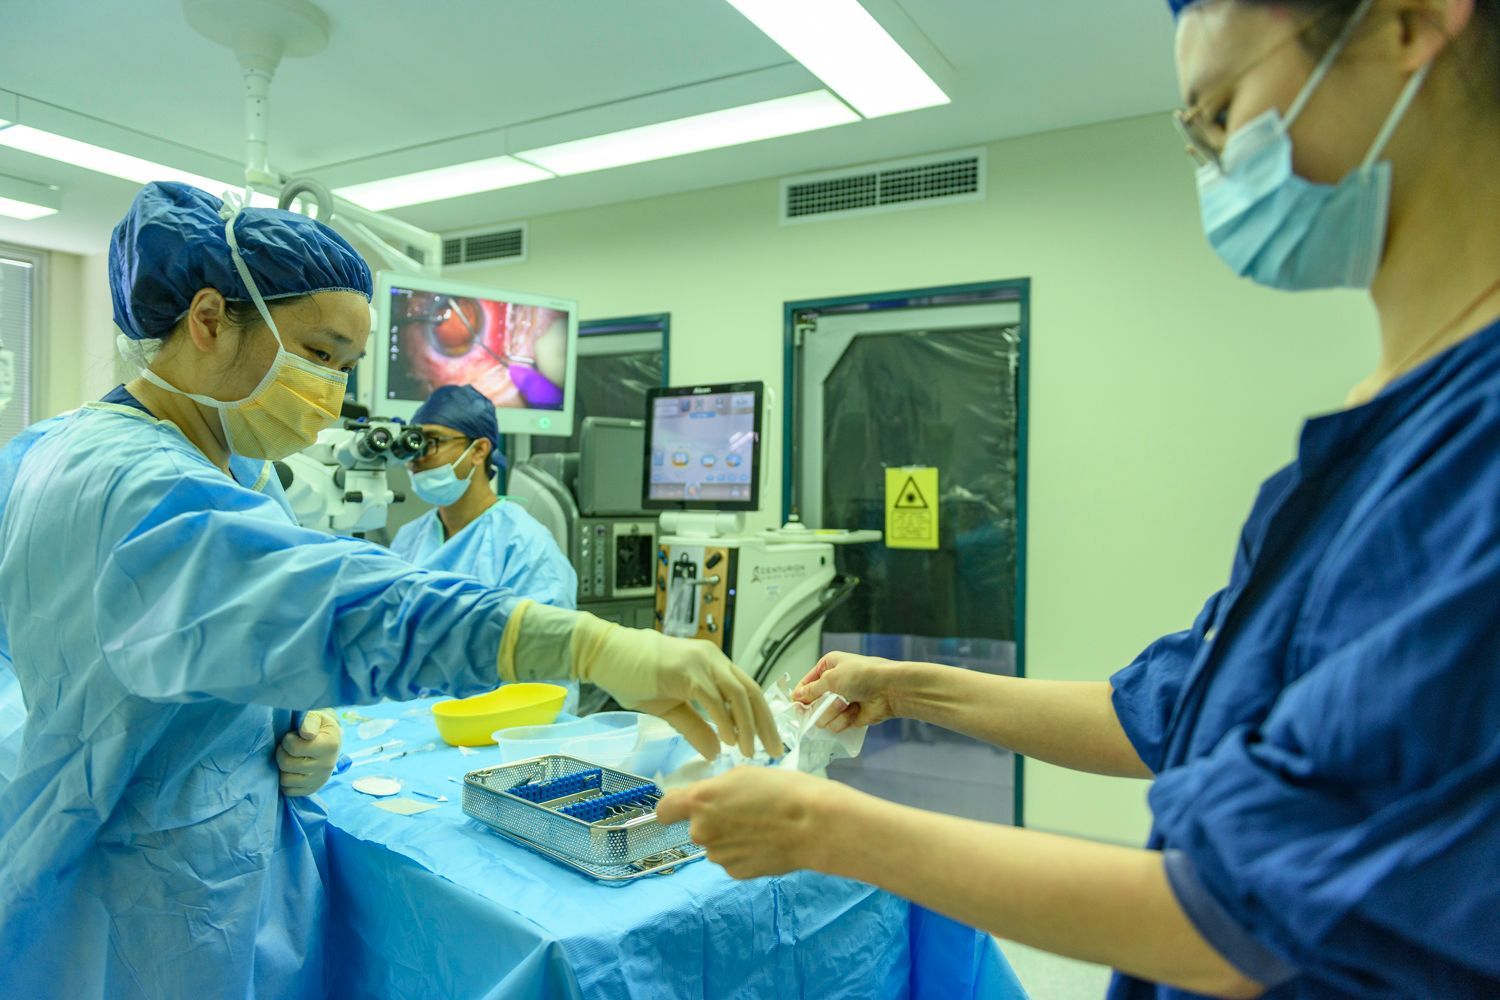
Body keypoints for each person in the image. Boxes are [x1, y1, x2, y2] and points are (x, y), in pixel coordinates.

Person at [659, 1, 1500, 997]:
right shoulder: (1375, 441)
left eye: (1223, 109)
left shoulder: (1472, 453)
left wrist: (822, 825)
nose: (1218, 165)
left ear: (1409, 21)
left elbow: (1244, 917)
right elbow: (1164, 710)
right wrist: (908, 683)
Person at [0, 181, 778, 1000]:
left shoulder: (61, 451)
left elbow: (185, 640)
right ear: (206, 321)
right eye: (321, 353)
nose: (333, 388)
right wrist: (591, 644)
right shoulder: (140, 487)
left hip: (126, 834)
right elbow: (327, 603)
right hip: (142, 892)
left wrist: (293, 723)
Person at [391, 383, 576, 609]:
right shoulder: (409, 539)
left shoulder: (525, 546)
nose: (416, 458)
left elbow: (547, 635)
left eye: (431, 442)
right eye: (414, 443)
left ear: (479, 451)